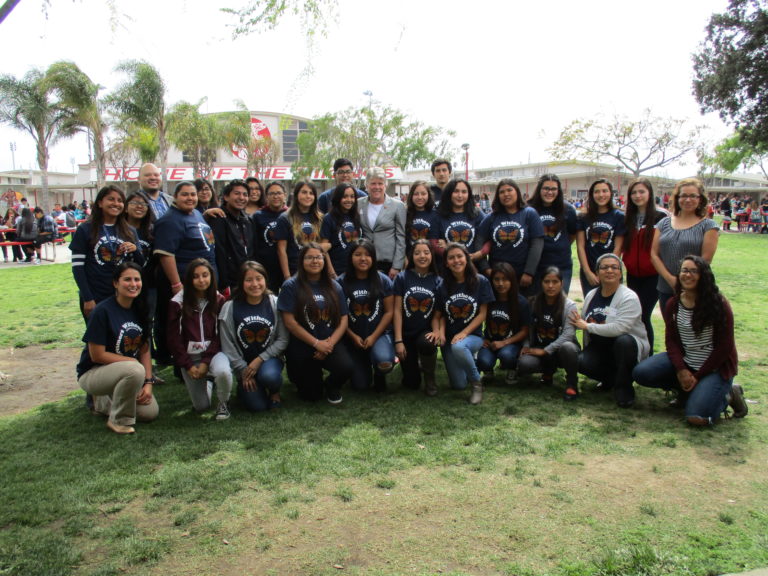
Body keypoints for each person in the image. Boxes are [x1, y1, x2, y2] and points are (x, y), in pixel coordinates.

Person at [632, 256, 745, 425]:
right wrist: (682, 370)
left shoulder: (718, 304)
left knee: (697, 418)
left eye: (694, 271)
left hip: (714, 368)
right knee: (641, 373)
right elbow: (671, 341)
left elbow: (725, 346)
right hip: (687, 362)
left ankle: (728, 395)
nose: (688, 275)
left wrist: (698, 376)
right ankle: (686, 391)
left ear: (704, 275)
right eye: (684, 270)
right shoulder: (673, 304)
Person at [76, 262, 159, 434]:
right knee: (135, 369)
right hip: (94, 372)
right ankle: (118, 421)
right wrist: (132, 362)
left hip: (125, 371)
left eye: (137, 279)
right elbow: (96, 355)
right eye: (127, 279)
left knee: (150, 413)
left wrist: (148, 383)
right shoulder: (102, 311)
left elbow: (144, 350)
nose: (133, 284)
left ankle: (103, 403)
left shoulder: (141, 309)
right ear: (116, 283)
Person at [570, 253, 649, 407]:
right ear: (597, 272)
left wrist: (588, 326)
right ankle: (610, 379)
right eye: (604, 267)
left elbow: (621, 328)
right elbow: (585, 320)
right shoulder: (591, 295)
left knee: (623, 342)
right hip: (601, 347)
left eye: (614, 267)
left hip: (626, 348)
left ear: (620, 273)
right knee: (581, 362)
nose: (609, 271)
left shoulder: (629, 297)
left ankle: (624, 387)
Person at [277, 242, 353, 403]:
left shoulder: (334, 286)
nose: (314, 261)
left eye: (318, 257)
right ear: (301, 261)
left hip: (329, 341)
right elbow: (289, 322)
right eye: (309, 257)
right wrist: (316, 343)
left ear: (324, 260)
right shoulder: (290, 286)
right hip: (303, 344)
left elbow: (344, 319)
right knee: (311, 396)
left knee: (346, 367)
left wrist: (329, 344)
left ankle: (332, 385)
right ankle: (300, 376)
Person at [153, 181, 217, 364]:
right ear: (175, 197)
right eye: (185, 194)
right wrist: (176, 285)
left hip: (204, 282)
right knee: (185, 326)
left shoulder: (196, 213)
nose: (190, 198)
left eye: (193, 194)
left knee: (200, 323)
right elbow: (166, 255)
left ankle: (203, 359)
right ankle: (183, 365)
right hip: (185, 283)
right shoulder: (169, 220)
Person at [167, 258, 232, 420]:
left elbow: (219, 336)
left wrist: (206, 362)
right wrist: (188, 365)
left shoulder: (219, 300)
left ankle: (223, 403)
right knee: (201, 407)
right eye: (196, 276)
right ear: (189, 279)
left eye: (205, 275)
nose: (201, 280)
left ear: (211, 276)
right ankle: (209, 382)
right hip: (190, 359)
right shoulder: (177, 303)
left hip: (213, 354)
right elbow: (174, 339)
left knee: (223, 372)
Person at [220, 261, 288, 412]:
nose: (255, 284)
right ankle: (244, 389)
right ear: (241, 282)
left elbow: (283, 339)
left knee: (269, 377)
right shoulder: (229, 307)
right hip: (243, 366)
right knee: (258, 407)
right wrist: (243, 370)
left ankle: (274, 392)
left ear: (265, 280)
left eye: (259, 278)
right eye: (249, 280)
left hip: (269, 361)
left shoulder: (275, 303)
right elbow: (227, 344)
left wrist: (259, 360)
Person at [69, 185, 143, 319]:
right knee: (99, 338)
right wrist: (88, 298)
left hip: (123, 295)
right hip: (96, 295)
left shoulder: (129, 230)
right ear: (100, 203)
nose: (116, 203)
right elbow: (77, 268)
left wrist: (136, 250)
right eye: (111, 199)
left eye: (120, 200)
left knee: (123, 335)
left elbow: (140, 264)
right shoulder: (85, 229)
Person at [434, 242, 494, 404]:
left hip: (472, 336)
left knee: (459, 346)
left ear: (466, 258)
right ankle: (470, 362)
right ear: (446, 263)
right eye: (451, 258)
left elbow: (483, 314)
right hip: (449, 339)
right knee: (459, 385)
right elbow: (439, 315)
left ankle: (476, 384)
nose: (456, 260)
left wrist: (464, 333)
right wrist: (439, 332)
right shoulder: (443, 285)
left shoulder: (480, 281)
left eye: (459, 256)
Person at [650, 178, 719, 317]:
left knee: (693, 330)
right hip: (666, 287)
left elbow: (706, 259)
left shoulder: (708, 226)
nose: (688, 200)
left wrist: (683, 282)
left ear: (700, 199)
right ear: (677, 198)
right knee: (670, 330)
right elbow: (654, 254)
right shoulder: (663, 223)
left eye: (693, 196)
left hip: (695, 288)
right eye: (684, 196)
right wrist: (671, 279)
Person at [338, 239, 395, 392]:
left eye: (368, 255)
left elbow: (389, 312)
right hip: (352, 338)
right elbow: (338, 316)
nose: (363, 258)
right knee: (360, 385)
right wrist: (352, 336)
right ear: (350, 257)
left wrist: (374, 336)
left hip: (379, 335)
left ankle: (379, 372)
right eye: (358, 254)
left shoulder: (383, 280)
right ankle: (362, 364)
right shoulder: (341, 282)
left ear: (373, 258)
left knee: (384, 362)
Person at [518, 267, 581, 399]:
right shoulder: (533, 302)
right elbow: (528, 329)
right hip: (540, 347)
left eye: (555, 282)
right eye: (546, 282)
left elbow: (568, 335)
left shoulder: (569, 306)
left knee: (568, 347)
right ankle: (548, 372)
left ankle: (572, 383)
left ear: (562, 283)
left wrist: (546, 350)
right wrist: (526, 345)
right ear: (541, 283)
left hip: (561, 350)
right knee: (524, 363)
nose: (550, 286)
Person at [393, 240, 443, 395]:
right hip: (406, 334)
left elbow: (438, 314)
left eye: (426, 252)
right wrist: (399, 340)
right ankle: (413, 365)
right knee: (412, 383)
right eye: (417, 253)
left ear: (431, 256)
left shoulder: (438, 281)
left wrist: (436, 331)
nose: (422, 256)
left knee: (428, 343)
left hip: (424, 332)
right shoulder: (402, 277)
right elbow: (397, 311)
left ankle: (430, 378)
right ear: (411, 256)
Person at [477, 178, 544, 294]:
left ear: (517, 192)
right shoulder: (491, 217)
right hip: (498, 278)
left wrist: (529, 272)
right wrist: (486, 268)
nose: (506, 194)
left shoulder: (529, 213)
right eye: (501, 192)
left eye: (509, 190)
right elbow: (478, 241)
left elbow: (537, 244)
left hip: (522, 275)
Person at [622, 178, 667, 351]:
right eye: (634, 192)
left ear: (649, 193)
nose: (637, 196)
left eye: (641, 192)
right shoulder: (628, 218)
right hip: (633, 273)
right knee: (633, 315)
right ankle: (635, 351)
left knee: (643, 315)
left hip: (653, 275)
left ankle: (646, 354)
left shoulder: (660, 217)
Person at [476, 262, 530, 385]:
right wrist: (481, 338)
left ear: (512, 280)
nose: (500, 283)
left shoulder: (521, 302)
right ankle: (488, 371)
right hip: (490, 341)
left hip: (511, 343)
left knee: (506, 355)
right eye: (497, 279)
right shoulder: (488, 299)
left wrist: (504, 342)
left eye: (505, 279)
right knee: (484, 361)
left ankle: (512, 369)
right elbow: (477, 318)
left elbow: (525, 330)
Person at [527, 174, 578, 295]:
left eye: (553, 189)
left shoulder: (568, 209)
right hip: (536, 267)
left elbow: (572, 234)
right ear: (539, 189)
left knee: (559, 305)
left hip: (561, 265)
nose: (549, 192)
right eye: (546, 188)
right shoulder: (528, 209)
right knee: (535, 306)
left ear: (558, 191)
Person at [576, 179, 626, 298]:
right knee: (592, 308)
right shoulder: (583, 217)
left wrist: (609, 270)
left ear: (610, 193)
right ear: (592, 195)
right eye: (597, 192)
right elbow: (580, 246)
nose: (601, 195)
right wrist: (587, 272)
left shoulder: (618, 216)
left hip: (611, 271)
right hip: (590, 270)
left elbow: (618, 247)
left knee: (613, 308)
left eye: (605, 191)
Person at [357, 166, 406, 279]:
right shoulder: (358, 204)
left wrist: (397, 266)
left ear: (386, 185)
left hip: (388, 264)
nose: (377, 187)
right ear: (366, 185)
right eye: (373, 183)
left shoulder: (397, 206)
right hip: (365, 261)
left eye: (380, 183)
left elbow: (401, 237)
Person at [275, 179, 327, 281]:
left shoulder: (320, 218)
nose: (308, 196)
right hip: (295, 270)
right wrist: (287, 276)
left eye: (311, 193)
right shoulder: (285, 218)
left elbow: (324, 245)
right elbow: (281, 250)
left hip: (317, 270)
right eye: (304, 192)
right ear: (296, 194)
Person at [210, 179, 255, 294]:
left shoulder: (247, 220)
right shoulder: (219, 218)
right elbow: (219, 253)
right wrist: (224, 284)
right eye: (237, 193)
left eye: (245, 194)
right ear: (226, 197)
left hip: (247, 278)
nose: (241, 197)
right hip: (229, 283)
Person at [436, 178, 485, 265]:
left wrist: (480, 253)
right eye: (456, 191)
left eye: (464, 192)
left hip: (472, 266)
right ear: (449, 193)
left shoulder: (477, 214)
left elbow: (488, 237)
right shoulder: (439, 215)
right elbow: (436, 242)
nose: (460, 195)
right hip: (448, 266)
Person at [252, 181, 288, 292]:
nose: (276, 196)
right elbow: (253, 242)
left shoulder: (290, 214)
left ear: (284, 195)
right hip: (265, 267)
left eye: (279, 193)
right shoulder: (258, 216)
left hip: (287, 266)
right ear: (267, 196)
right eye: (272, 194)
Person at [320, 183, 362, 277]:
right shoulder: (328, 218)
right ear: (338, 198)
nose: (349, 200)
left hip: (355, 269)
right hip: (337, 270)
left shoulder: (356, 217)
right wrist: (331, 272)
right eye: (345, 196)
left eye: (352, 197)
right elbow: (323, 248)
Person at [404, 180, 441, 257]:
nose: (420, 197)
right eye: (416, 194)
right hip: (410, 259)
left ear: (429, 195)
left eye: (423, 194)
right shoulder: (405, 214)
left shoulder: (435, 215)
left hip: (430, 259)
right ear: (411, 196)